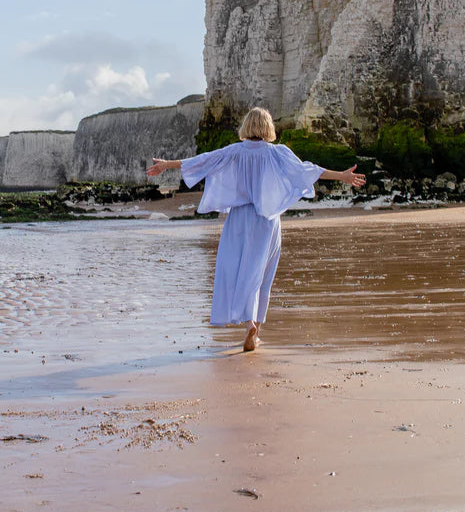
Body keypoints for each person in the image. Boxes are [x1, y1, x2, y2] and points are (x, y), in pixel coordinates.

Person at [146, 107, 366, 352]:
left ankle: (248, 323)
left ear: (246, 127)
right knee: (261, 275)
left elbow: (203, 161)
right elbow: (307, 170)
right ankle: (255, 329)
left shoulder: (235, 152)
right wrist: (342, 176)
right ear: (268, 127)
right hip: (267, 220)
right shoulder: (278, 153)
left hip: (239, 218)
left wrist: (167, 165)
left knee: (235, 271)